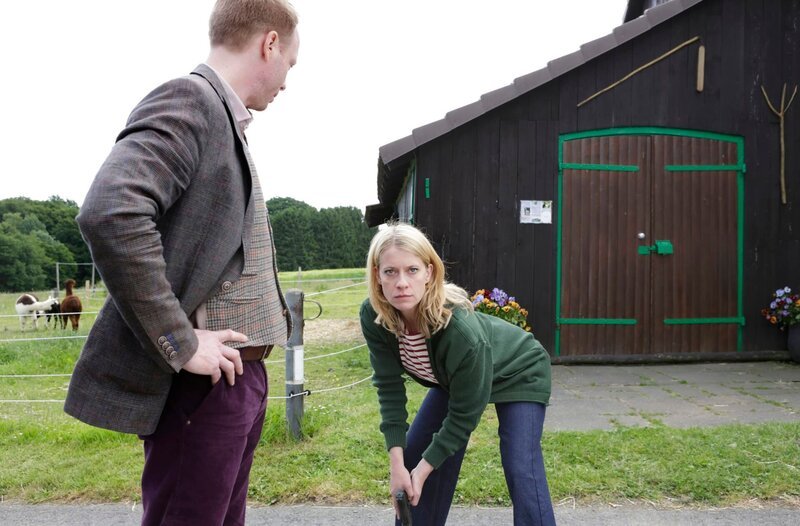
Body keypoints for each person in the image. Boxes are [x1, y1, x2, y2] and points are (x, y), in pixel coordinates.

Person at [64, 1, 299, 524]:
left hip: (236, 380)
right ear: (269, 44)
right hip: (202, 387)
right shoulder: (190, 99)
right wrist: (181, 340)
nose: (287, 81)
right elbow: (111, 211)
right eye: (291, 64)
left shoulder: (225, 117)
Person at [360, 223, 556, 526]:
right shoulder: (376, 318)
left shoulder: (459, 331)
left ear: (429, 273)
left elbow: (463, 417)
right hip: (453, 380)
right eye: (390, 272)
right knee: (414, 454)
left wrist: (424, 469)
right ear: (377, 275)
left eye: (412, 270)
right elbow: (389, 389)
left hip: (519, 370)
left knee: (521, 465)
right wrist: (397, 465)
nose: (401, 282)